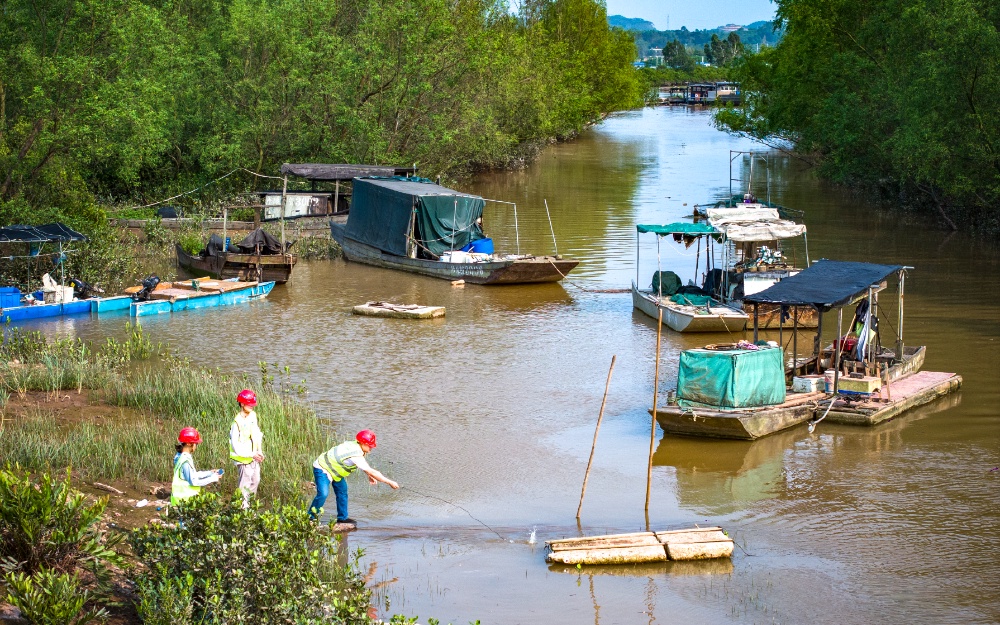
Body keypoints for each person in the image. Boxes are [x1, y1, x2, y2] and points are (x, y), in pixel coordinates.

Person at [309, 429, 399, 526]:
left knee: (342, 491)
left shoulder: (356, 445)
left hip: (335, 471)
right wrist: (390, 482)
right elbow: (371, 470)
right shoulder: (355, 454)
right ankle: (310, 518)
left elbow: (364, 467)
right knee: (323, 494)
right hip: (322, 468)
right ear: (363, 443)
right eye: (370, 446)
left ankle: (342, 519)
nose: (371, 448)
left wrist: (369, 475)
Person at [171, 427, 224, 507]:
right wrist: (213, 478)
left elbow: (192, 475)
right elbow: (194, 481)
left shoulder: (180, 457)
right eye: (196, 443)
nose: (196, 446)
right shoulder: (185, 461)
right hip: (185, 502)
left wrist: (210, 473)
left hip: (180, 502)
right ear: (189, 443)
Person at [229, 389, 264, 508]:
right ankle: (242, 511)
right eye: (249, 404)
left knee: (256, 481)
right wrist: (251, 454)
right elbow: (236, 446)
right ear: (242, 404)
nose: (252, 407)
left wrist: (259, 451)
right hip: (243, 459)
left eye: (253, 404)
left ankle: (250, 508)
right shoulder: (236, 423)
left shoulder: (253, 416)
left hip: (253, 457)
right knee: (244, 485)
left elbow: (257, 433)